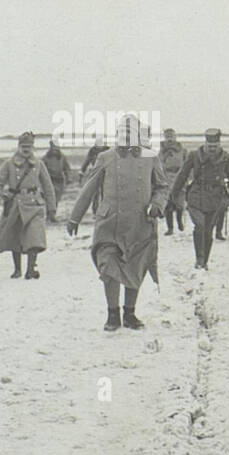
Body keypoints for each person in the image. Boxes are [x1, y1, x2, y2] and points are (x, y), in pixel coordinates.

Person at [67, 114, 169, 330]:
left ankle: (130, 314)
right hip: (109, 223)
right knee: (108, 267)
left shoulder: (150, 157)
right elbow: (89, 189)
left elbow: (162, 187)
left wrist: (157, 205)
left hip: (140, 223)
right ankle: (112, 314)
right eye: (122, 132)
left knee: (135, 266)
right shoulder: (105, 157)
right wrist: (75, 217)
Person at [169, 128, 229, 270]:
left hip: (215, 199)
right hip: (196, 196)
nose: (212, 149)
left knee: (208, 230)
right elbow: (182, 175)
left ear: (219, 144)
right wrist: (173, 194)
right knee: (199, 226)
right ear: (205, 144)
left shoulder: (226, 158)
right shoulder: (194, 155)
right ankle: (199, 259)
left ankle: (205, 260)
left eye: (215, 146)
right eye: (209, 146)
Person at [0, 131, 56, 279]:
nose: (26, 149)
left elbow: (48, 186)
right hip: (15, 204)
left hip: (34, 205)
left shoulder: (39, 164)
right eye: (24, 146)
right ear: (19, 146)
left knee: (35, 237)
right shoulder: (9, 164)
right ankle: (17, 269)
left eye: (29, 146)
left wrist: (52, 208)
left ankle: (30, 268)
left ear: (33, 147)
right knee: (15, 237)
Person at [158, 128, 187, 235]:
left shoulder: (182, 150)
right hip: (166, 178)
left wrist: (186, 178)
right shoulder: (161, 151)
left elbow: (187, 164)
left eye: (172, 137)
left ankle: (180, 221)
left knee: (179, 203)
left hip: (179, 177)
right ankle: (170, 228)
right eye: (167, 137)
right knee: (168, 204)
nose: (170, 140)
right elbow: (158, 165)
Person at [42, 139, 73, 218]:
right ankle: (50, 215)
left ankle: (52, 214)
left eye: (57, 147)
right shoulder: (45, 158)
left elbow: (67, 168)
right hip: (49, 181)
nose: (55, 149)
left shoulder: (62, 157)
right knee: (49, 198)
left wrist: (69, 178)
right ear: (51, 147)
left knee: (56, 199)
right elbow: (41, 171)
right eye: (54, 147)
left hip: (59, 181)